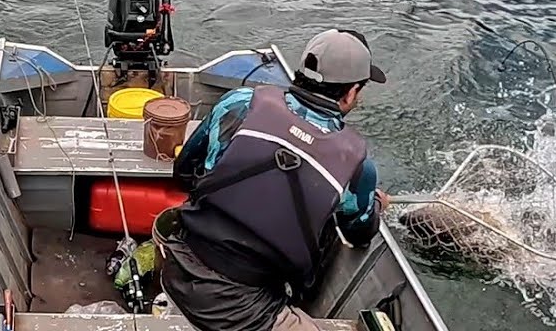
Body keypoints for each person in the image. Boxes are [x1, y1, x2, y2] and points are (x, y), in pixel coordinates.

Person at [159, 29, 391, 331]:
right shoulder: (358, 166)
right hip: (242, 312)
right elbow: (359, 231)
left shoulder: (240, 103)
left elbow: (185, 171)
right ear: (351, 93)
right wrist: (374, 203)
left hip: (177, 266)